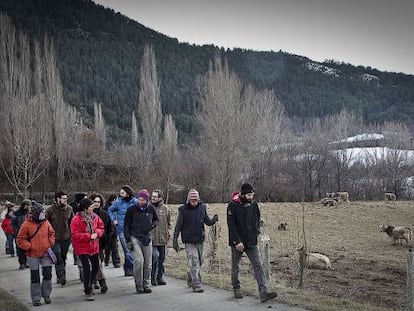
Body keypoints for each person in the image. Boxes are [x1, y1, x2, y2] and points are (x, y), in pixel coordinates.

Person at [227, 183, 278, 303]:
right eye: (249, 195)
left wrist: (257, 231)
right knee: (236, 266)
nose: (251, 197)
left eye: (252, 195)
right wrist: (237, 241)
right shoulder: (232, 206)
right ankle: (236, 288)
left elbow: (257, 218)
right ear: (243, 194)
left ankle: (263, 292)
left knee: (258, 265)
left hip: (251, 241)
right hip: (237, 242)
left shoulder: (254, 205)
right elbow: (231, 225)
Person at [173, 189, 218, 293]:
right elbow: (178, 226)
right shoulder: (183, 210)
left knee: (200, 261)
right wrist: (175, 240)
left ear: (198, 199)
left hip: (200, 238)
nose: (194, 202)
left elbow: (207, 221)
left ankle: (190, 274)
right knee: (194, 261)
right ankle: (196, 283)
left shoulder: (202, 208)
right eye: (192, 200)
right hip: (188, 240)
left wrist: (213, 220)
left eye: (196, 200)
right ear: (188, 200)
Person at [16, 201, 55, 306]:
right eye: (41, 212)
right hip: (32, 254)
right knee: (35, 276)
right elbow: (20, 239)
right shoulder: (26, 224)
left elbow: (51, 233)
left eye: (44, 212)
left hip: (45, 253)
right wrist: (29, 246)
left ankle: (46, 294)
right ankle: (36, 298)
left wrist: (50, 242)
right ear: (36, 213)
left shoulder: (46, 222)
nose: (44, 214)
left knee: (47, 274)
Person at [124, 189, 159, 294]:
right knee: (139, 261)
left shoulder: (151, 209)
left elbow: (156, 220)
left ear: (147, 200)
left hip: (147, 237)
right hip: (134, 237)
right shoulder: (132, 210)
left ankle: (146, 283)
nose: (140, 201)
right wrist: (128, 240)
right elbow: (126, 226)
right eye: (139, 199)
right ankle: (138, 284)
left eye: (143, 199)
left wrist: (153, 226)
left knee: (148, 263)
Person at [70, 198, 104, 301]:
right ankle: (87, 290)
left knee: (96, 266)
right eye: (90, 207)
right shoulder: (76, 219)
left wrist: (97, 233)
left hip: (94, 246)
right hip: (82, 247)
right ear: (85, 208)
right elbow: (75, 234)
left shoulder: (95, 217)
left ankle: (90, 282)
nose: (92, 208)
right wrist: (89, 236)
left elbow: (101, 227)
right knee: (86, 268)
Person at [108, 185, 137, 276]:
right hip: (121, 229)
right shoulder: (118, 202)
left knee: (132, 250)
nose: (120, 195)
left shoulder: (135, 202)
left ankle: (128, 268)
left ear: (128, 193)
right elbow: (110, 210)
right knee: (127, 249)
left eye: (122, 193)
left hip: (133, 229)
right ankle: (132, 268)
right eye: (120, 193)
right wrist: (113, 220)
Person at [46, 191, 73, 286]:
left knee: (63, 256)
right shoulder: (50, 210)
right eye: (63, 198)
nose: (65, 200)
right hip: (54, 238)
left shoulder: (70, 209)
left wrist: (72, 236)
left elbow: (71, 223)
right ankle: (62, 276)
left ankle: (60, 275)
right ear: (57, 199)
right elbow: (46, 224)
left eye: (66, 198)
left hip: (66, 237)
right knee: (58, 256)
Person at [150, 189, 171, 286]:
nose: (152, 198)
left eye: (155, 197)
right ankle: (152, 277)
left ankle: (160, 277)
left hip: (163, 238)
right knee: (154, 257)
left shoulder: (166, 209)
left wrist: (169, 232)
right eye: (152, 196)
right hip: (152, 238)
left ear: (160, 198)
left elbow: (169, 223)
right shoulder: (148, 208)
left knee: (162, 259)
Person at [89, 193, 109, 293]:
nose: (97, 204)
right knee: (97, 264)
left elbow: (108, 228)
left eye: (98, 202)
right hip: (89, 243)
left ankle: (94, 281)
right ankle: (102, 282)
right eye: (95, 202)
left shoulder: (104, 214)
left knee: (98, 263)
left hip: (101, 243)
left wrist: (108, 241)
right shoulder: (87, 214)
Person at [12, 199, 31, 269]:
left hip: (28, 234)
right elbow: (13, 223)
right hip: (19, 234)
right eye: (28, 205)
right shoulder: (16, 213)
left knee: (27, 249)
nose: (29, 207)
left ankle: (26, 262)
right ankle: (22, 263)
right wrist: (16, 230)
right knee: (20, 249)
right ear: (25, 205)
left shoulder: (29, 213)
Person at [103, 194, 120, 267]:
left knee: (114, 246)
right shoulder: (107, 208)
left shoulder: (116, 208)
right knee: (108, 246)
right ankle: (108, 260)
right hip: (108, 229)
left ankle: (115, 262)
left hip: (113, 229)